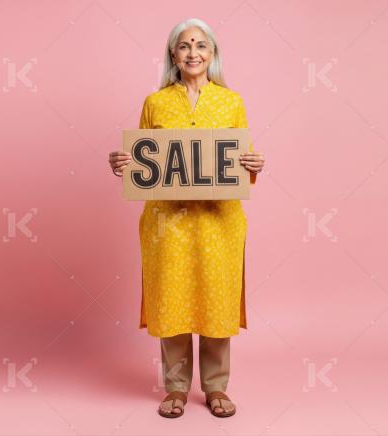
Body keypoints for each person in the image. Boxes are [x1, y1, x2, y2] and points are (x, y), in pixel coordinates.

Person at [108, 18, 265, 419]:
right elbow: (145, 164)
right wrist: (122, 162)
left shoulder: (231, 102)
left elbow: (237, 163)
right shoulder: (155, 103)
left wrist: (254, 163)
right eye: (184, 46)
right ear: (173, 56)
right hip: (168, 222)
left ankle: (216, 388)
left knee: (217, 301)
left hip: (219, 221)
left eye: (200, 46)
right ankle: (176, 388)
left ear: (212, 54)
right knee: (173, 301)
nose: (192, 53)